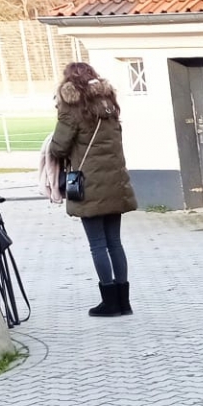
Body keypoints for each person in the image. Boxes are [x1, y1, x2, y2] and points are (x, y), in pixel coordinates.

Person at [47, 62, 137, 319]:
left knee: (97, 245)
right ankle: (124, 302)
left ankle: (109, 302)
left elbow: (59, 147)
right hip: (115, 182)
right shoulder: (109, 103)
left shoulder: (72, 106)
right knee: (115, 243)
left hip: (89, 185)